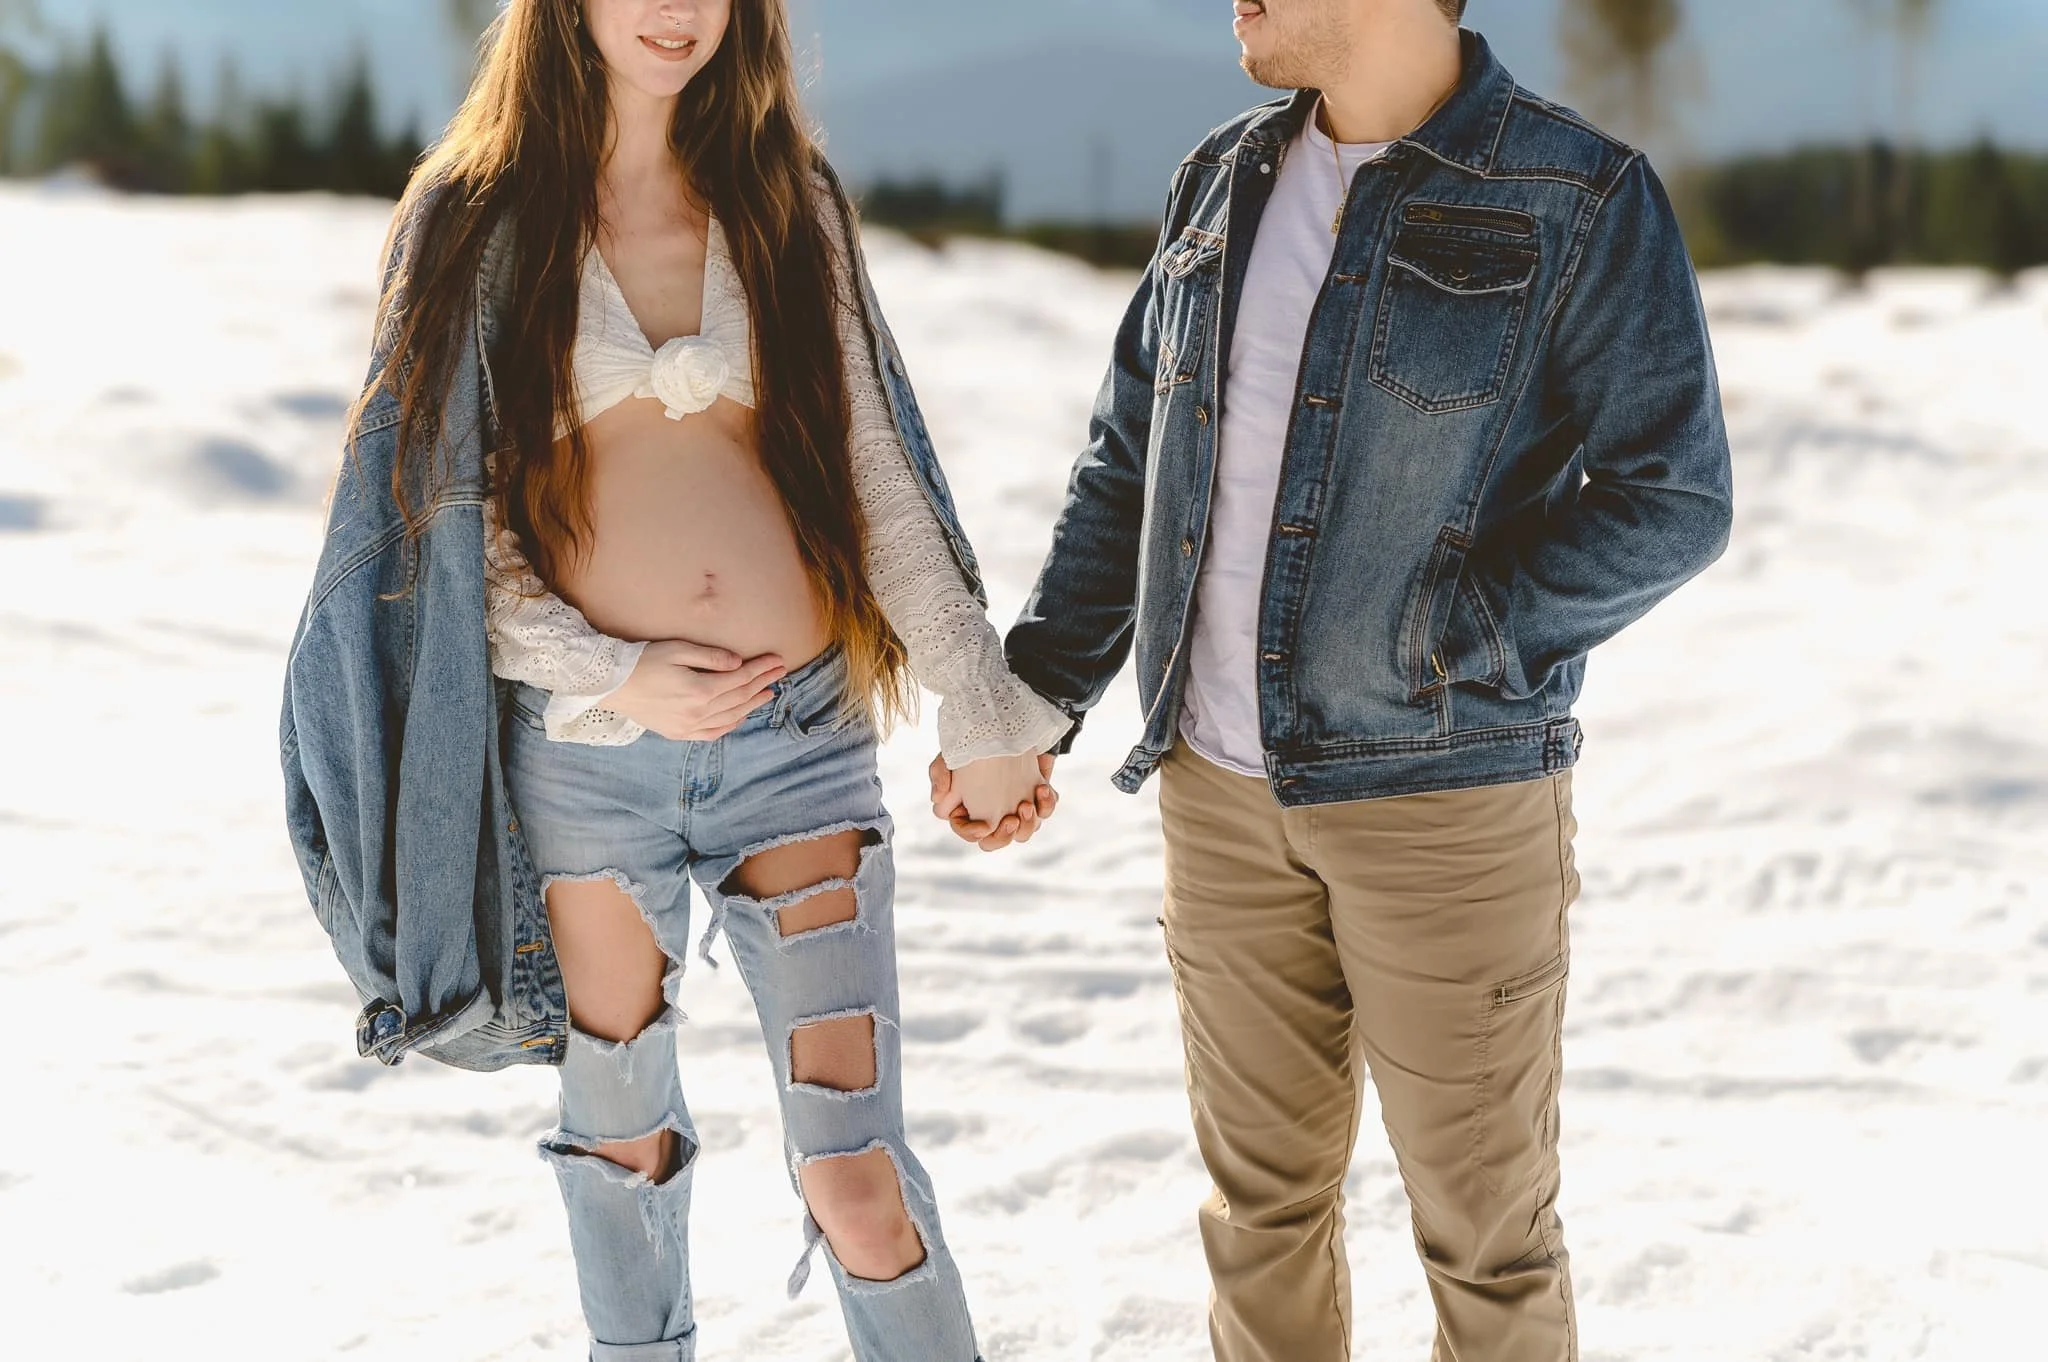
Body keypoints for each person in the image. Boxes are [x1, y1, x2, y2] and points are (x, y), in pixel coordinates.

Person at [932, 1, 1735, 1358]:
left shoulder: (1577, 197)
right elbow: (1131, 466)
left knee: (1487, 1244)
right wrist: (1033, 700)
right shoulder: (1220, 181)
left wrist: (1459, 640)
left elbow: (1675, 495)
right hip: (1220, 806)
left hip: (1446, 808)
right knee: (1261, 1215)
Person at [280, 2, 1069, 1358]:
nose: (672, 10)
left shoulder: (782, 196)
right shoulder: (469, 220)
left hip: (799, 740)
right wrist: (617, 670)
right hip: (590, 761)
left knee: (857, 1179)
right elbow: (445, 533)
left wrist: (976, 698)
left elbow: (878, 468)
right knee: (622, 1155)